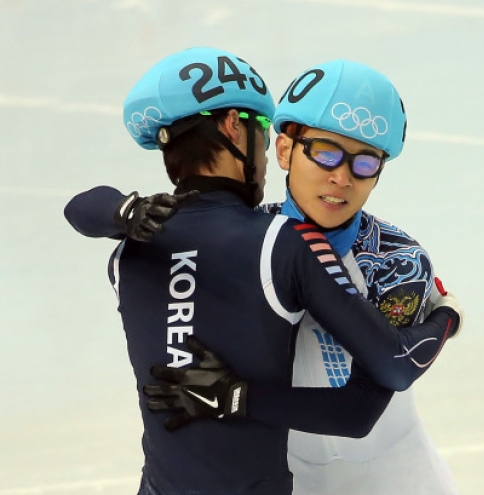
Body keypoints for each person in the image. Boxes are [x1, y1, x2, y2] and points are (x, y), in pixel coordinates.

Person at [64, 47, 461, 495]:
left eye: (365, 163)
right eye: (327, 154)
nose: (342, 178)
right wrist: (448, 317)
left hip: (395, 479)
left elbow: (373, 397)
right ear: (285, 150)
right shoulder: (257, 238)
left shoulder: (397, 261)